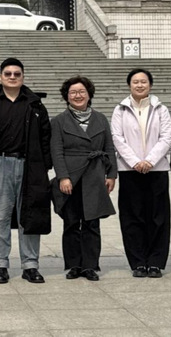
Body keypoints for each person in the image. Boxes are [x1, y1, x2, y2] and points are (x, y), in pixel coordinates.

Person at [0, 58, 52, 284]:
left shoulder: (35, 105)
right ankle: (0, 265)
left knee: (29, 215)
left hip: (29, 165)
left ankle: (30, 265)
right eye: (8, 74)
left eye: (17, 74)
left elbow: (45, 136)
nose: (12, 77)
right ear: (0, 77)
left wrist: (44, 166)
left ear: (23, 77)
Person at [50, 76, 116, 281]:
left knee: (92, 223)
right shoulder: (58, 121)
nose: (77, 96)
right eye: (73, 92)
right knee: (71, 222)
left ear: (89, 95)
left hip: (94, 175)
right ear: (67, 96)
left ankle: (90, 265)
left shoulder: (101, 119)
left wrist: (111, 174)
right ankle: (74, 265)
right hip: (71, 176)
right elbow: (56, 151)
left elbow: (109, 148)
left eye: (81, 92)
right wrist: (63, 177)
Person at [111, 68, 171, 278]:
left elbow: (167, 137)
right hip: (130, 170)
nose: (140, 85)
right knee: (132, 217)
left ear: (150, 85)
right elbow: (117, 138)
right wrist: (135, 162)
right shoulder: (120, 109)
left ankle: (155, 262)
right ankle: (138, 262)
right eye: (135, 82)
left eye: (143, 82)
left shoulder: (160, 109)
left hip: (157, 170)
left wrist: (150, 161)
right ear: (129, 85)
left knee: (158, 217)